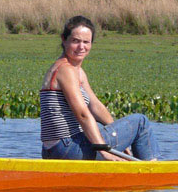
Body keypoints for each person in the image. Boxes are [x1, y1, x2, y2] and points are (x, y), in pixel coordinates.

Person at [39, 15, 160, 161]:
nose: (81, 47)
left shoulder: (77, 71)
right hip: (68, 148)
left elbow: (95, 106)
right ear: (64, 40)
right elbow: (83, 114)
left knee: (130, 128)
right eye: (76, 41)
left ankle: (137, 167)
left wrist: (123, 139)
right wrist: (103, 150)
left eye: (86, 42)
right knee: (141, 122)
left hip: (56, 150)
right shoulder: (66, 70)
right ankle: (151, 170)